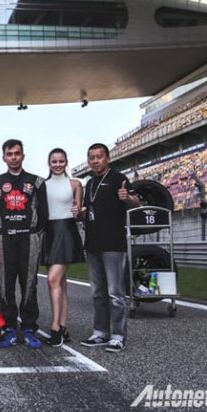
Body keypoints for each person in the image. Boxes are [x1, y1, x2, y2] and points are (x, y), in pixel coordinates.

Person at [0, 139, 48, 348]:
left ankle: (28, 328)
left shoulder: (36, 181)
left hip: (29, 238)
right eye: (10, 154)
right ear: (4, 157)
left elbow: (44, 215)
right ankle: (8, 328)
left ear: (23, 156)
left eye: (17, 153)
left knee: (29, 285)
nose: (14, 157)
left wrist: (36, 236)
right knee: (6, 285)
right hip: (5, 238)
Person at [76, 143, 140, 353]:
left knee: (115, 293)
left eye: (99, 157)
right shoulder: (90, 183)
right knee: (97, 293)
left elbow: (136, 203)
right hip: (93, 243)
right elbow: (89, 210)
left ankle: (118, 335)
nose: (95, 161)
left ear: (107, 158)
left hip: (113, 244)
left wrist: (128, 198)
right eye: (91, 157)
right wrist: (79, 213)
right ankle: (100, 332)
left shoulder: (118, 178)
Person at [41, 149, 84, 347]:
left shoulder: (75, 184)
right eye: (54, 161)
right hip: (49, 233)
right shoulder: (42, 185)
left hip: (66, 232)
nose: (57, 164)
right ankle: (64, 327)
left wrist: (78, 211)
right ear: (49, 163)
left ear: (66, 162)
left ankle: (56, 328)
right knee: (61, 283)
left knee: (53, 279)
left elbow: (78, 213)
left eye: (61, 161)